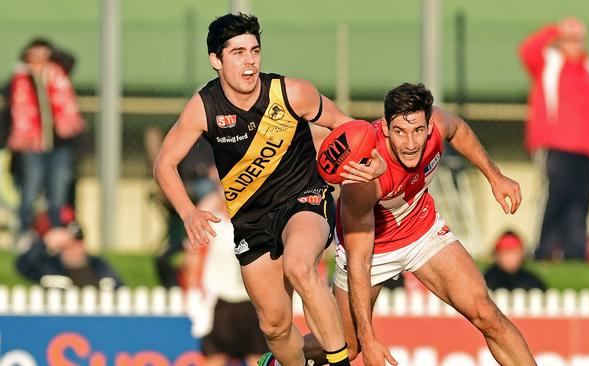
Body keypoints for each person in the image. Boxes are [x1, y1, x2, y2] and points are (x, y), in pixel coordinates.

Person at [153, 13, 384, 366]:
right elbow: (164, 163)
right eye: (238, 53)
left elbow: (348, 126)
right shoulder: (204, 107)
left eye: (254, 51)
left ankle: (339, 363)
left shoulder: (292, 92)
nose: (249, 62)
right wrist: (187, 211)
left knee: (299, 266)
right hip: (252, 220)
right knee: (274, 326)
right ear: (216, 60)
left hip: (304, 200)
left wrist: (373, 159)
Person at [296, 83, 536, 366]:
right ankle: (280, 355)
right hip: (372, 249)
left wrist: (496, 177)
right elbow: (360, 261)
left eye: (417, 131)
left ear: (429, 124)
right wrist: (370, 338)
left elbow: (460, 131)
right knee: (349, 347)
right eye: (399, 132)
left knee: (486, 314)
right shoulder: (363, 179)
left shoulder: (438, 125)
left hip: (421, 229)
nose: (410, 144)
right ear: (385, 129)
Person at [519, 18, 589, 261]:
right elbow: (527, 50)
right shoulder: (549, 63)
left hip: (586, 148)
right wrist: (555, 29)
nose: (573, 45)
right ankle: (546, 249)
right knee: (556, 196)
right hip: (555, 145)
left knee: (582, 201)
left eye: (577, 39)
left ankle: (575, 251)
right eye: (568, 39)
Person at [8, 38, 85, 238]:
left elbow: (70, 59)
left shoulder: (58, 74)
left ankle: (56, 231)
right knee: (30, 190)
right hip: (31, 145)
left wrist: (50, 56)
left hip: (59, 144)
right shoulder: (19, 80)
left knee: (58, 191)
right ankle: (25, 233)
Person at [184, 191, 268, 366]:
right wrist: (193, 293)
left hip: (252, 300)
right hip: (220, 300)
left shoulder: (258, 224)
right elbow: (193, 258)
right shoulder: (214, 226)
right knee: (216, 356)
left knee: (258, 357)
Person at [15, 222, 123, 289]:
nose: (75, 248)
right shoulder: (50, 266)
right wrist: (44, 243)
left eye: (78, 242)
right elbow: (23, 266)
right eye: (69, 244)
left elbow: (120, 289)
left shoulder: (98, 265)